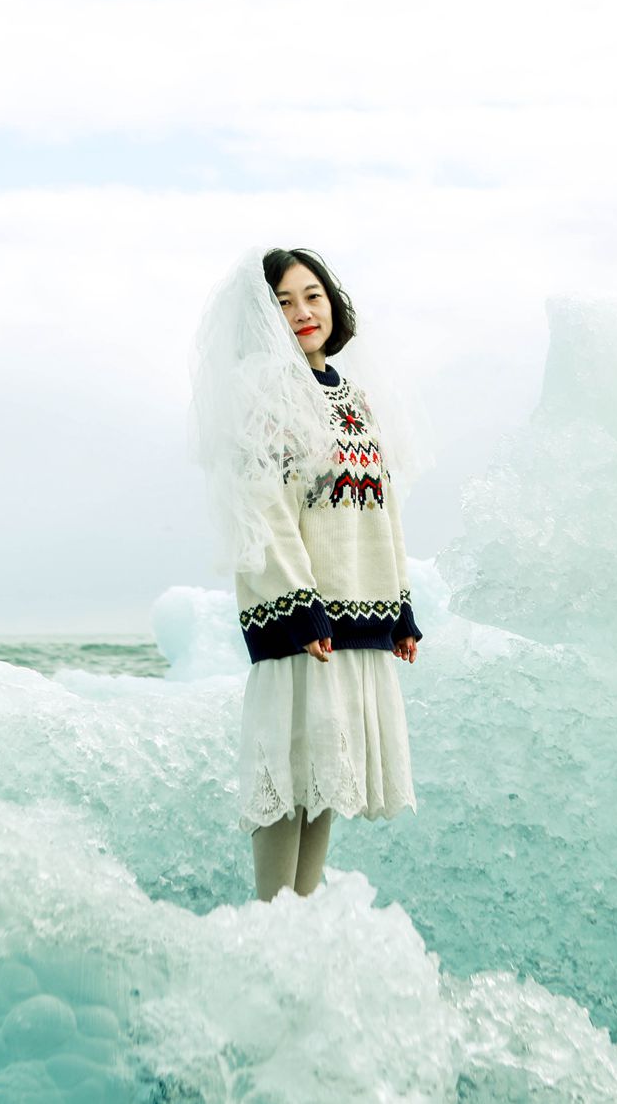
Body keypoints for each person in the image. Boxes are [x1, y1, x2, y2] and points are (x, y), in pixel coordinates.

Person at [187, 245, 426, 902]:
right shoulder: (265, 397)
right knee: (288, 773)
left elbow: (383, 503)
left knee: (326, 776)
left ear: (332, 303)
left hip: (357, 609)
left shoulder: (356, 399)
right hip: (301, 613)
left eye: (312, 296)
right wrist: (297, 601)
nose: (302, 312)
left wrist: (400, 605)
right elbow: (262, 507)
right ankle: (271, 918)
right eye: (284, 302)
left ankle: (304, 919)